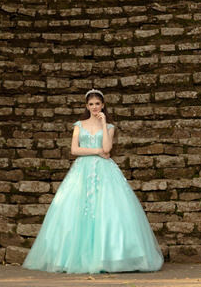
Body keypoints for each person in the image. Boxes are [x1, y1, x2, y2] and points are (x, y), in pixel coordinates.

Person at [22, 89, 164, 273]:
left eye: (98, 104)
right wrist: (96, 151)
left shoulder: (110, 127)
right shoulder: (79, 125)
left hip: (105, 172)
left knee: (108, 210)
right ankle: (73, 257)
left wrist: (104, 124)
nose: (95, 107)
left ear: (103, 105)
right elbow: (75, 150)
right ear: (86, 106)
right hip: (81, 171)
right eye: (91, 104)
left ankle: (108, 258)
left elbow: (107, 147)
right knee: (76, 210)